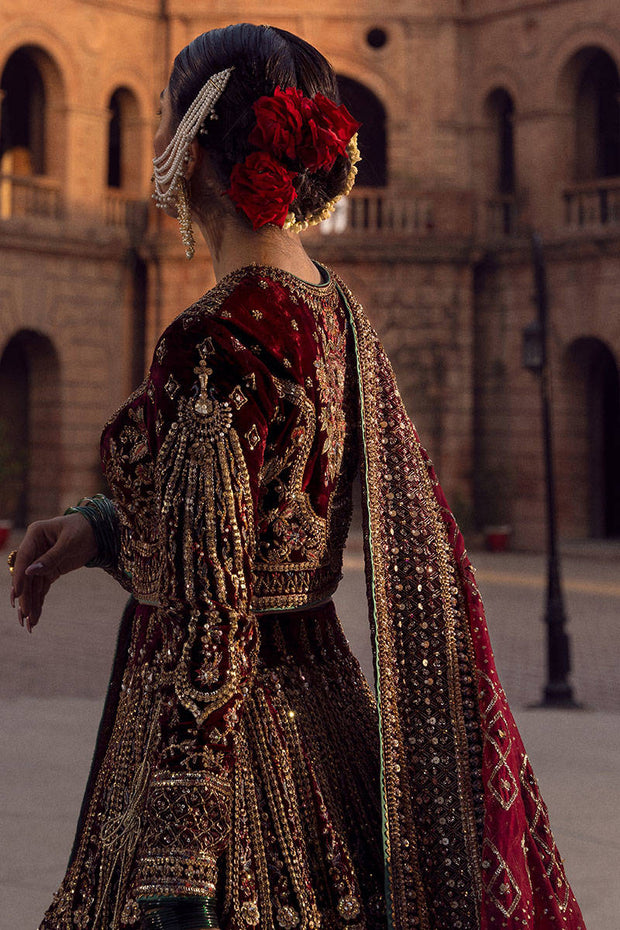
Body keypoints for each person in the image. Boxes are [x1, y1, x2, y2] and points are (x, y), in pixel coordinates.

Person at [9, 23, 585, 930]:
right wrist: (97, 529)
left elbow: (210, 620)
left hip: (230, 773)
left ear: (196, 150)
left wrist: (177, 872)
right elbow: (258, 522)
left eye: (163, 121)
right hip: (326, 717)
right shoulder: (331, 311)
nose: (156, 144)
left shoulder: (212, 338)